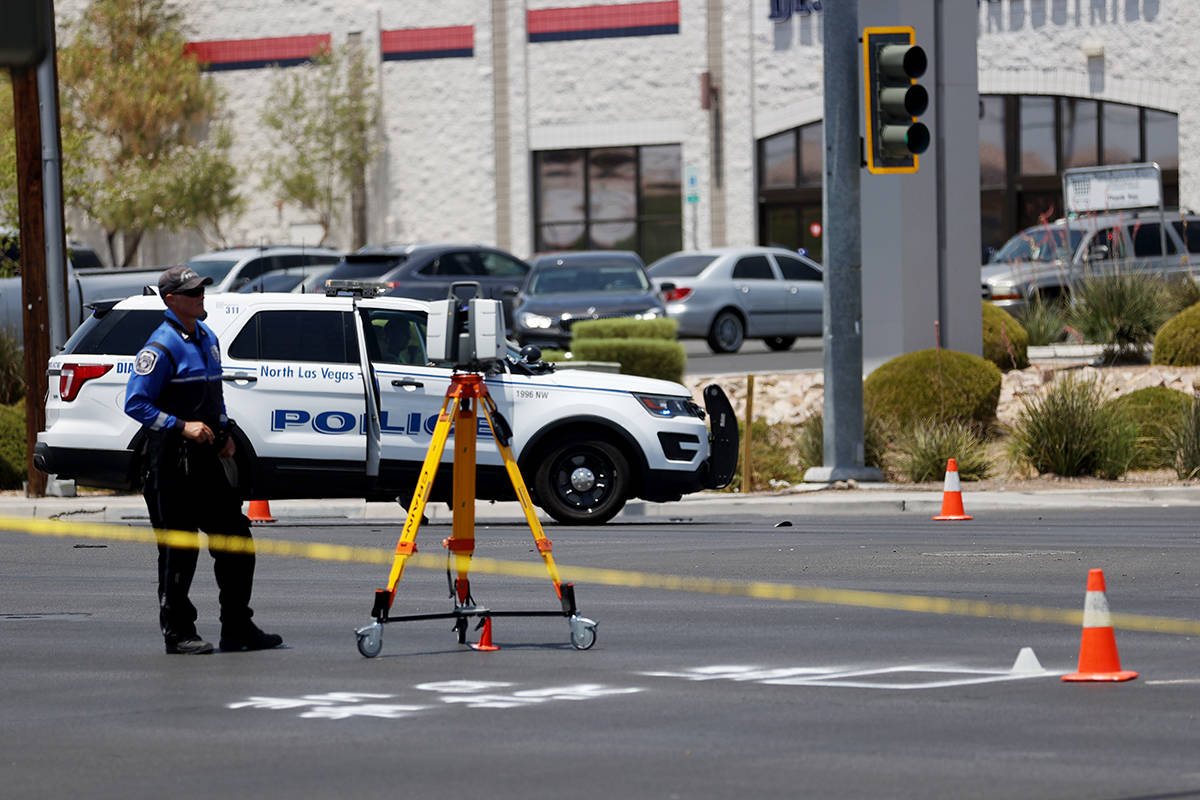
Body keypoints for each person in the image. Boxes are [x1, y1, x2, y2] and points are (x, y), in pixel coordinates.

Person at [125, 265, 283, 655]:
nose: (200, 296)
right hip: (171, 463)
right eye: (192, 292)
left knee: (236, 540)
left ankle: (237, 628)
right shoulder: (160, 346)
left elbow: (215, 397)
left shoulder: (207, 337)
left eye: (201, 290)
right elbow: (136, 402)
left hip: (207, 462)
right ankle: (178, 633)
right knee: (179, 552)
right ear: (171, 300)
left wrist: (224, 433)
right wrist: (182, 426)